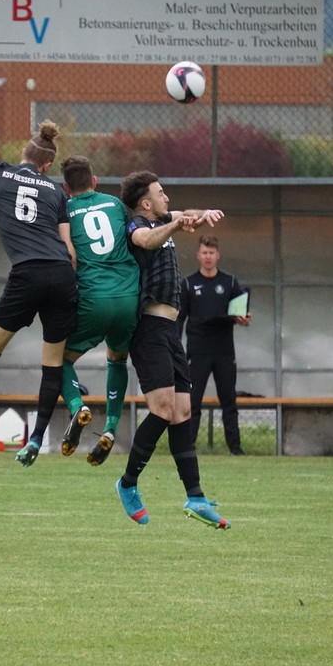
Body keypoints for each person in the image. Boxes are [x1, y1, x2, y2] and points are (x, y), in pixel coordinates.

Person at [0, 120, 78, 468]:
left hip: (27, 273)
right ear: (47, 165)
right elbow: (69, 249)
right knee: (52, 363)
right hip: (60, 273)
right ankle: (36, 438)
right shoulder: (57, 192)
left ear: (24, 152)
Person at [114, 171, 230, 529]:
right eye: (161, 193)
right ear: (146, 203)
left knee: (182, 411)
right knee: (163, 409)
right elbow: (147, 240)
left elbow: (185, 215)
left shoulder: (165, 219)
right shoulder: (137, 226)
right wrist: (177, 224)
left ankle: (195, 497)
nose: (167, 198)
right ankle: (127, 483)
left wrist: (203, 214)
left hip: (169, 332)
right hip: (148, 329)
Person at [56, 155, 140, 466]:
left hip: (94, 298)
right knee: (117, 359)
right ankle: (111, 428)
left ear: (66, 187)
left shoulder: (65, 210)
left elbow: (69, 255)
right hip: (128, 296)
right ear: (94, 180)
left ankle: (77, 406)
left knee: (58, 359)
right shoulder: (115, 204)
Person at [178, 235, 251, 456]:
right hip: (197, 350)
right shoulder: (188, 283)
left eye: (211, 253)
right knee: (193, 401)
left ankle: (235, 448)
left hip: (224, 350)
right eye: (204, 253)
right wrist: (174, 347)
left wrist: (244, 319)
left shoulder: (229, 282)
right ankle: (187, 447)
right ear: (198, 256)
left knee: (229, 400)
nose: (208, 257)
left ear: (217, 255)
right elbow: (180, 318)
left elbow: (240, 313)